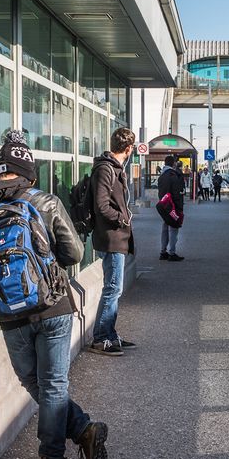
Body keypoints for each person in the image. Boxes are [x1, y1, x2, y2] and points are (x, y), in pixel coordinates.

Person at [0, 129, 108, 459]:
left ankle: (73, 440)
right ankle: (60, 451)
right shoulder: (45, 201)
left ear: (0, 170)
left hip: (9, 313)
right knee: (54, 383)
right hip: (52, 306)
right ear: (28, 171)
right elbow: (74, 253)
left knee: (33, 381)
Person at [90, 127, 136, 356]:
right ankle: (100, 339)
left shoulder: (112, 168)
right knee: (112, 289)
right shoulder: (106, 169)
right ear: (128, 149)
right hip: (110, 237)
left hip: (114, 236)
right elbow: (101, 206)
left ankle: (109, 334)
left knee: (114, 289)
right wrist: (122, 218)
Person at [157, 155, 185, 261]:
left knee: (165, 228)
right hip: (172, 206)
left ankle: (163, 252)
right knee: (174, 229)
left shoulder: (162, 175)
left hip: (164, 205)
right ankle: (172, 253)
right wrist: (179, 208)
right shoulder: (173, 175)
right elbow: (176, 194)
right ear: (173, 163)